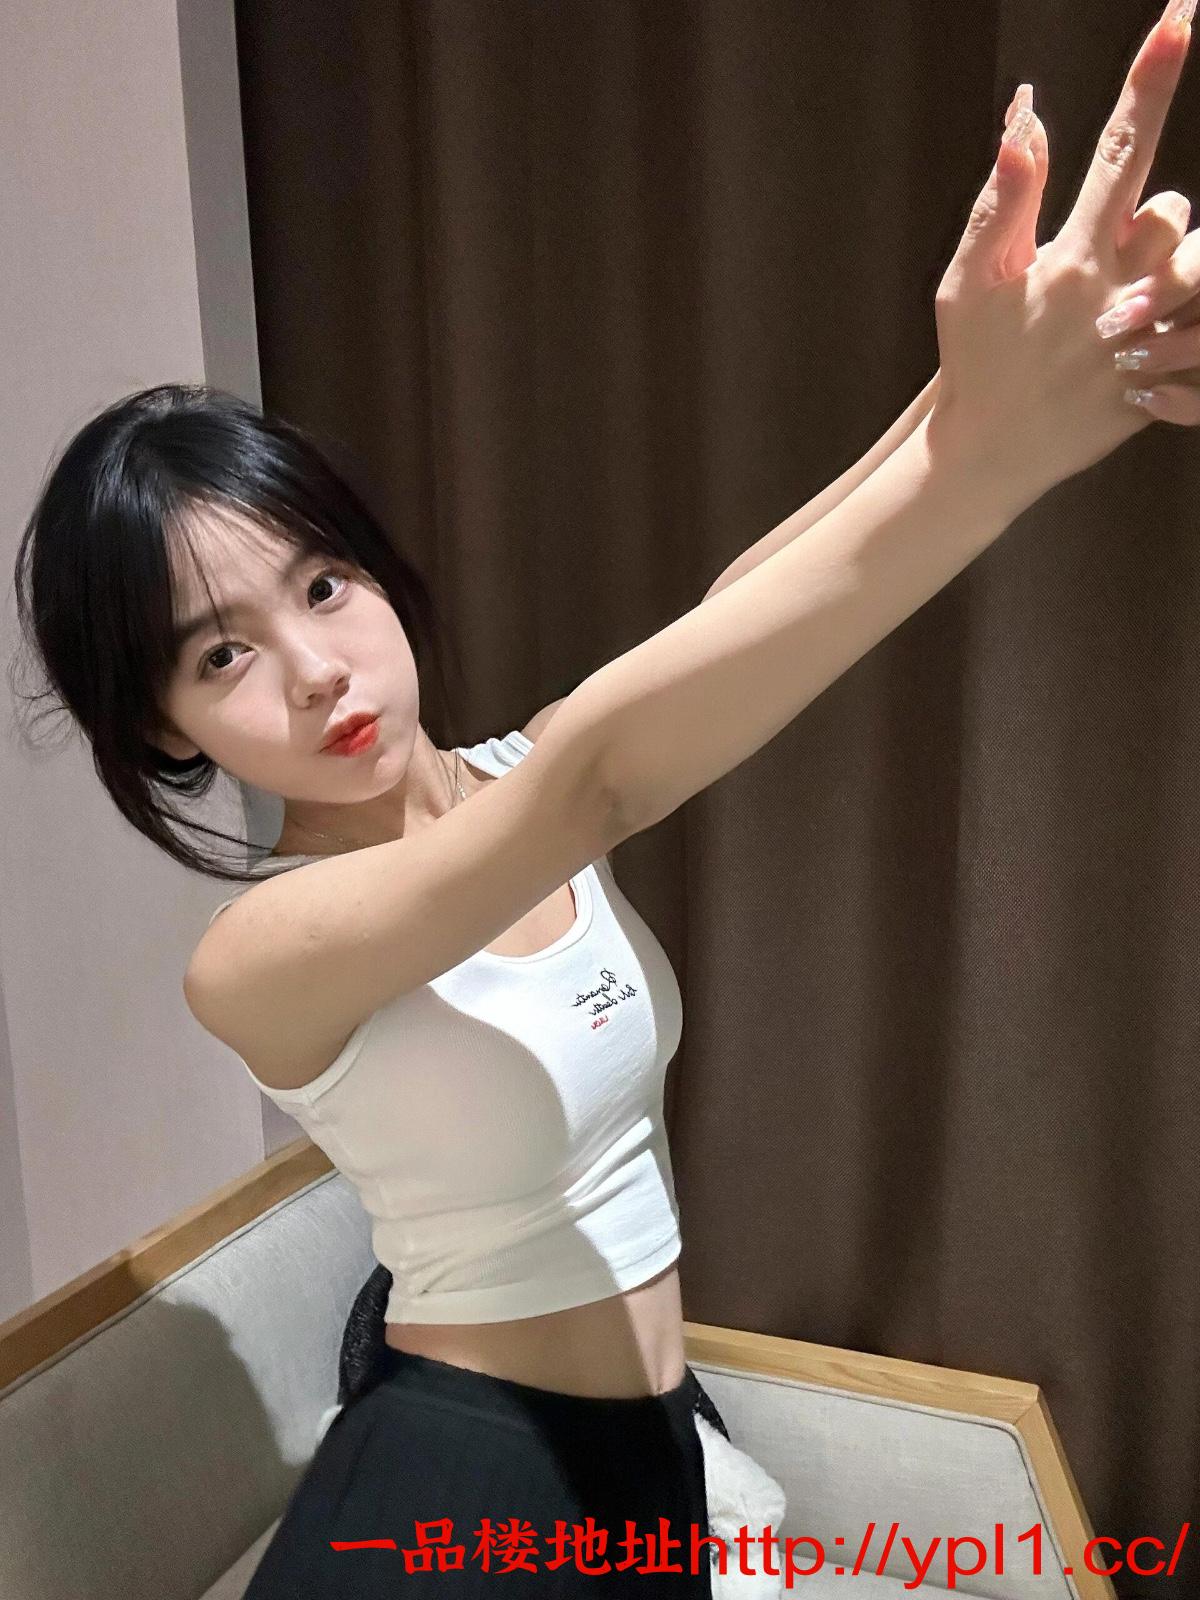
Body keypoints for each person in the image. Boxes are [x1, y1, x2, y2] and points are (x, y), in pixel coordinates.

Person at [11, 2, 1198, 1593]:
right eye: (221, 654)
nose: (315, 669)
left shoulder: (512, 776)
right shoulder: (263, 955)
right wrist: (993, 459)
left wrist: (971, 401)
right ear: (161, 729)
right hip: (455, 1491)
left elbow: (738, 612)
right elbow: (604, 774)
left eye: (324, 582)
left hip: (645, 1454)